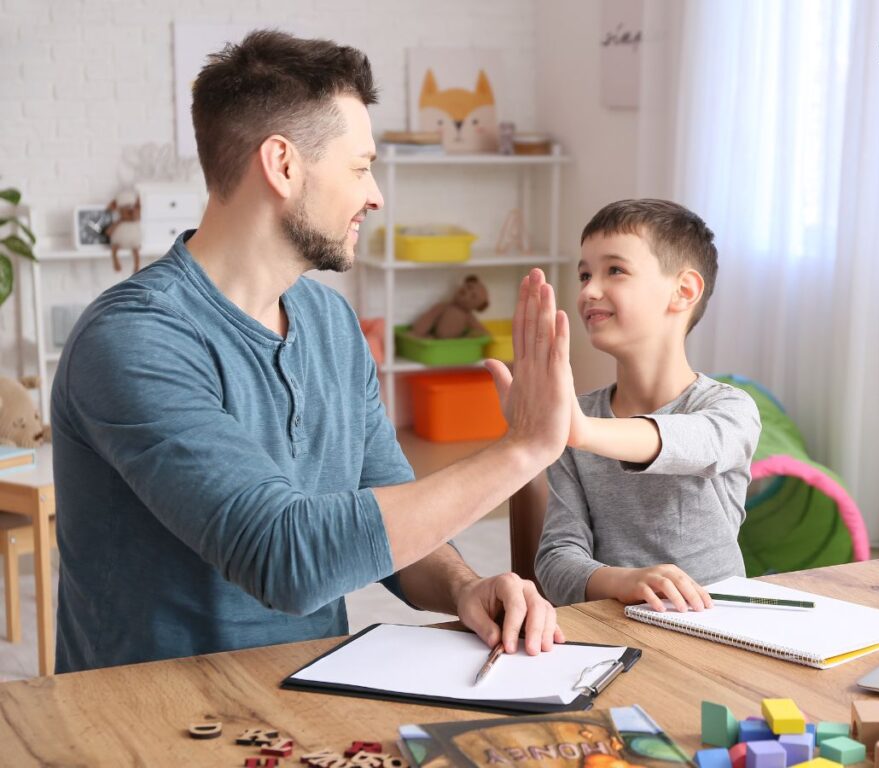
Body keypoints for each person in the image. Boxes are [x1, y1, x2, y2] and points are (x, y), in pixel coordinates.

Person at [51, 30, 574, 673]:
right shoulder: (133, 339)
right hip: (150, 723)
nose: (376, 194)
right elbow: (286, 557)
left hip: (305, 696)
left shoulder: (330, 321)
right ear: (283, 165)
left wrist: (464, 586)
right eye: (360, 167)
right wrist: (524, 448)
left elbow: (391, 520)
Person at [534, 199, 762, 611]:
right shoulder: (577, 423)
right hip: (610, 624)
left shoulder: (731, 409)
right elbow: (555, 564)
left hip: (718, 630)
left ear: (684, 291)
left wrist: (582, 432)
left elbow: (697, 444)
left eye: (614, 271)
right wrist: (624, 582)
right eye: (584, 274)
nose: (589, 290)